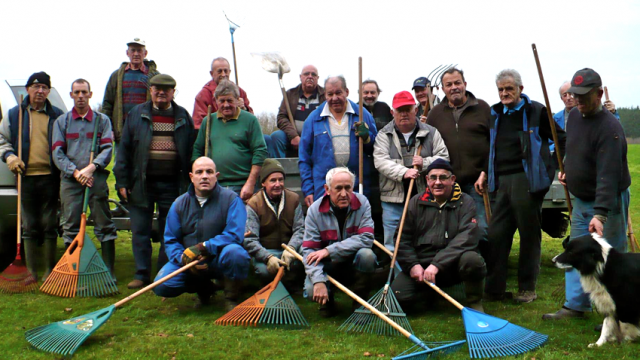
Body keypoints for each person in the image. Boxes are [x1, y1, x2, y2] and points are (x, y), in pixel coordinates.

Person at [543, 68, 630, 320]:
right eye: (574, 95)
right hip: (581, 200)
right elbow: (574, 148)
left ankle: (617, 313)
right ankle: (575, 306)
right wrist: (568, 168)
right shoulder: (574, 118)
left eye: (584, 95)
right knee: (575, 251)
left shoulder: (610, 128)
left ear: (600, 94)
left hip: (607, 202)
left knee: (610, 256)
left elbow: (609, 174)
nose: (577, 100)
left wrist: (600, 215)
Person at [484, 69, 566, 303]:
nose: (504, 93)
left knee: (529, 235)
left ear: (520, 88)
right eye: (501, 89)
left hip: (527, 181)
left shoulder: (536, 111)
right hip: (501, 181)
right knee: (497, 234)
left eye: (509, 88)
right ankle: (494, 290)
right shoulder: (495, 113)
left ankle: (527, 288)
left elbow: (561, 139)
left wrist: (551, 167)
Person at [114, 74, 195, 289]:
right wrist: (122, 181)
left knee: (170, 230)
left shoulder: (183, 117)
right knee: (140, 230)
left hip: (173, 185)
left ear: (173, 92)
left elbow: (191, 152)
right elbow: (124, 151)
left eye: (166, 89)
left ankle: (162, 271)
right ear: (150, 91)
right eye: (157, 88)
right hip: (141, 183)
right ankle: (141, 274)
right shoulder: (136, 115)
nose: (161, 92)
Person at [153, 157, 250, 310]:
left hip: (219, 257)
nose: (204, 176)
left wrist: (204, 246)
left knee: (236, 254)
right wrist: (183, 258)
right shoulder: (179, 204)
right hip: (191, 261)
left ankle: (231, 297)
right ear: (191, 177)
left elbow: (235, 234)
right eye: (199, 172)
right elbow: (170, 240)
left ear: (216, 176)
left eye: (209, 172)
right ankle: (205, 289)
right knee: (162, 285)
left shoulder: (231, 199)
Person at [391, 159, 486, 312]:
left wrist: (437, 265)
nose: (438, 182)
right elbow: (402, 239)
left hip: (453, 264)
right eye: (433, 178)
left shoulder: (466, 202)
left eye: (443, 177)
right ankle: (431, 294)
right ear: (427, 180)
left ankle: (474, 301)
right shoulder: (415, 202)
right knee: (399, 298)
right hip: (422, 265)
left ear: (452, 179)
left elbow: (468, 237)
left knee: (472, 260)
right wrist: (413, 265)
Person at [0, 72, 64, 281]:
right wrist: (9, 156)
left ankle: (48, 270)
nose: (40, 91)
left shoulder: (57, 115)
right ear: (28, 89)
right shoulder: (14, 115)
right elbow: (1, 138)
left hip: (50, 176)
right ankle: (32, 272)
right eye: (36, 87)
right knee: (27, 225)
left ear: (48, 91)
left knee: (49, 224)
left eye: (44, 88)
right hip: (25, 176)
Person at [52, 79, 117, 280]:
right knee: (70, 226)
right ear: (71, 95)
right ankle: (73, 272)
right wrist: (76, 173)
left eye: (84, 92)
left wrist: (91, 168)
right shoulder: (62, 122)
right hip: (71, 181)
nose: (80, 96)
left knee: (104, 223)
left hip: (94, 180)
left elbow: (107, 149)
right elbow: (57, 152)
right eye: (77, 92)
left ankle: (108, 272)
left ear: (90, 94)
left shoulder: (102, 121)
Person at [373, 90, 449, 251]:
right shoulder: (383, 135)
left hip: (424, 198)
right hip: (392, 201)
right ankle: (398, 275)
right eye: (400, 110)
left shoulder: (431, 132)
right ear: (392, 112)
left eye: (408, 109)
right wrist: (403, 172)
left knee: (425, 240)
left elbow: (444, 158)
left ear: (415, 110)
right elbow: (380, 161)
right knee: (393, 245)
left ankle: (422, 274)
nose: (404, 114)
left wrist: (425, 163)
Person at [426, 68, 491, 248]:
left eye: (457, 83)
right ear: (443, 88)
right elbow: (427, 146)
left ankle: (480, 269)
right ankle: (457, 269)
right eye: (449, 84)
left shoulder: (483, 108)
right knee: (449, 230)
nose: (454, 87)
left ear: (465, 84)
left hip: (478, 183)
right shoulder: (435, 114)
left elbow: (494, 144)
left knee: (482, 230)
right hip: (448, 184)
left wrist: (485, 172)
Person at [302, 167, 376, 316]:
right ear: (327, 189)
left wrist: (330, 250)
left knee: (367, 255)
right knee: (311, 290)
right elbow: (309, 251)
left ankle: (360, 302)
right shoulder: (314, 211)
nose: (344, 194)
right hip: (328, 266)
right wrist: (318, 280)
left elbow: (367, 238)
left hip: (353, 262)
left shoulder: (363, 203)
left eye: (348, 188)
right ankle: (328, 303)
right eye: (338, 188)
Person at [299, 76, 378, 207]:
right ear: (324, 95)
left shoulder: (362, 114)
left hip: (356, 186)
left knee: (356, 225)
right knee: (327, 225)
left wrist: (367, 138)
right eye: (330, 94)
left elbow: (376, 149)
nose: (334, 98)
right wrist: (308, 189)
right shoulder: (314, 119)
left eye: (338, 93)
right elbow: (304, 158)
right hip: (324, 188)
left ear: (346, 92)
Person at [192, 80, 267, 202]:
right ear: (216, 101)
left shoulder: (250, 120)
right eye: (222, 101)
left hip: (242, 186)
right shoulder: (208, 121)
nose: (226, 105)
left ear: (237, 99)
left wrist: (250, 183)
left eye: (230, 100)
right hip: (214, 186)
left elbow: (260, 151)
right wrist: (199, 178)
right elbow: (197, 150)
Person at [244, 159, 305, 288]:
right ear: (263, 183)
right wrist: (268, 257)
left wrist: (292, 249)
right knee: (264, 271)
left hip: (289, 252)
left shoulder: (293, 199)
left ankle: (290, 284)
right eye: (273, 180)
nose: (278, 184)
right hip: (267, 252)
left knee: (305, 257)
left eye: (281, 179)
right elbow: (250, 239)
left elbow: (300, 229)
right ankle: (278, 285)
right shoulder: (254, 204)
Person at [102, 38, 159, 144]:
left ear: (145, 53)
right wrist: (109, 129)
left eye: (139, 50)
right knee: (121, 160)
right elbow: (107, 104)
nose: (136, 54)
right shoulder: (117, 76)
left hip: (146, 132)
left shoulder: (154, 76)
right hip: (122, 133)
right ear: (127, 53)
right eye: (133, 50)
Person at [265, 65, 325, 158]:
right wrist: (293, 136)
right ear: (300, 77)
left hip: (318, 136)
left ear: (317, 78)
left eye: (313, 74)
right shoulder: (290, 94)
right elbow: (281, 117)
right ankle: (280, 168)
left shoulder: (325, 96)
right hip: (293, 136)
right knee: (276, 136)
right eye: (306, 74)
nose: (310, 76)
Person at [550, 80, 619, 153]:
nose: (568, 98)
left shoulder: (590, 112)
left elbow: (614, 131)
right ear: (561, 98)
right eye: (564, 95)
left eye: (570, 94)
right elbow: (549, 142)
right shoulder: (556, 119)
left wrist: (612, 112)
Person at [192, 57, 253, 129]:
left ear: (229, 72)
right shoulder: (203, 96)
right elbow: (199, 125)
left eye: (226, 71)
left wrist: (244, 109)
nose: (223, 74)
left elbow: (251, 120)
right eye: (219, 71)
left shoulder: (240, 92)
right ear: (212, 73)